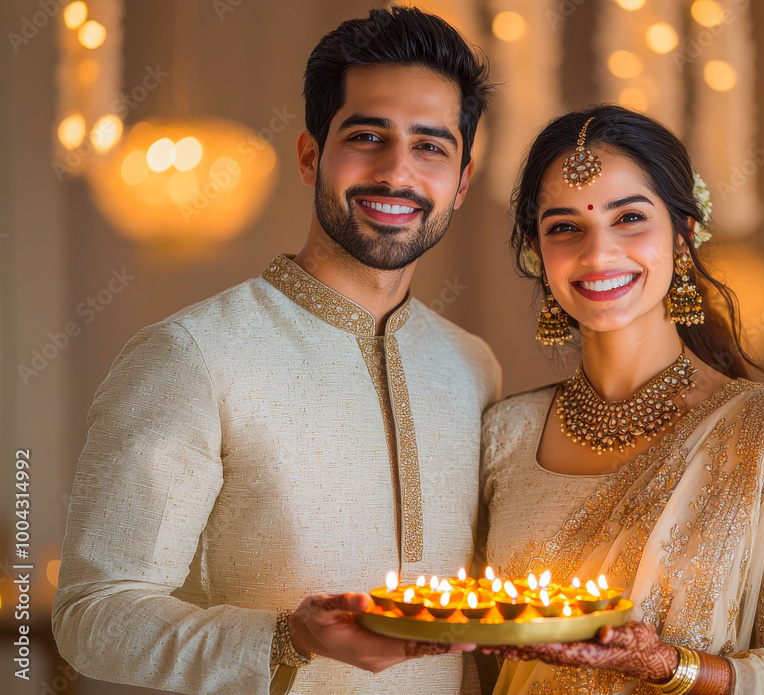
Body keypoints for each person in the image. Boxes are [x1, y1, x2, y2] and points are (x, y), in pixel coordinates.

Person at [52, 7, 500, 695]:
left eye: (431, 146)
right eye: (367, 136)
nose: (396, 172)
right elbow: (93, 615)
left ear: (462, 181)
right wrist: (285, 638)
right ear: (310, 155)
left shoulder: (473, 367)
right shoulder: (191, 354)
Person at [477, 105, 764, 694]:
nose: (598, 253)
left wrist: (669, 665)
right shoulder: (505, 434)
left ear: (684, 237)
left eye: (630, 218)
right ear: (537, 252)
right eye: (565, 227)